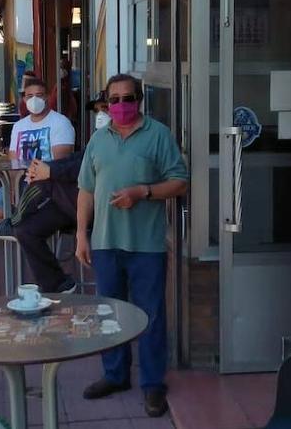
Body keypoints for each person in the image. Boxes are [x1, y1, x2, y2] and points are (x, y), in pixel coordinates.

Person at [76, 75, 189, 418]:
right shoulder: (98, 139)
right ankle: (115, 374)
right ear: (105, 103)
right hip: (106, 242)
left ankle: (153, 384)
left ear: (140, 99)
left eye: (128, 98)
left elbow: (180, 182)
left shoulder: (158, 134)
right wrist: (82, 234)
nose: (122, 106)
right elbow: (86, 190)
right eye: (115, 100)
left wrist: (144, 192)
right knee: (109, 314)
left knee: (150, 317)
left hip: (146, 245)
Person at [6, 92, 110, 293]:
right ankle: (57, 283)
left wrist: (50, 171)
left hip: (99, 208)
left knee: (46, 183)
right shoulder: (99, 136)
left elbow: (85, 166)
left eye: (104, 109)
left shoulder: (117, 137)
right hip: (72, 205)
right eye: (97, 110)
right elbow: (78, 158)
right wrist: (48, 166)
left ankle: (13, 219)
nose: (100, 115)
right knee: (26, 230)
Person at [0, 78, 74, 223]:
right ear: (24, 99)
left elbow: (60, 162)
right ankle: (19, 233)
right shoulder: (19, 126)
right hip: (20, 183)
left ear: (47, 97)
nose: (34, 100)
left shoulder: (61, 123)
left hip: (47, 185)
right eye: (30, 96)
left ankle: (23, 233)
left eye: (39, 95)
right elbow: (13, 163)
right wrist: (11, 187)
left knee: (23, 215)